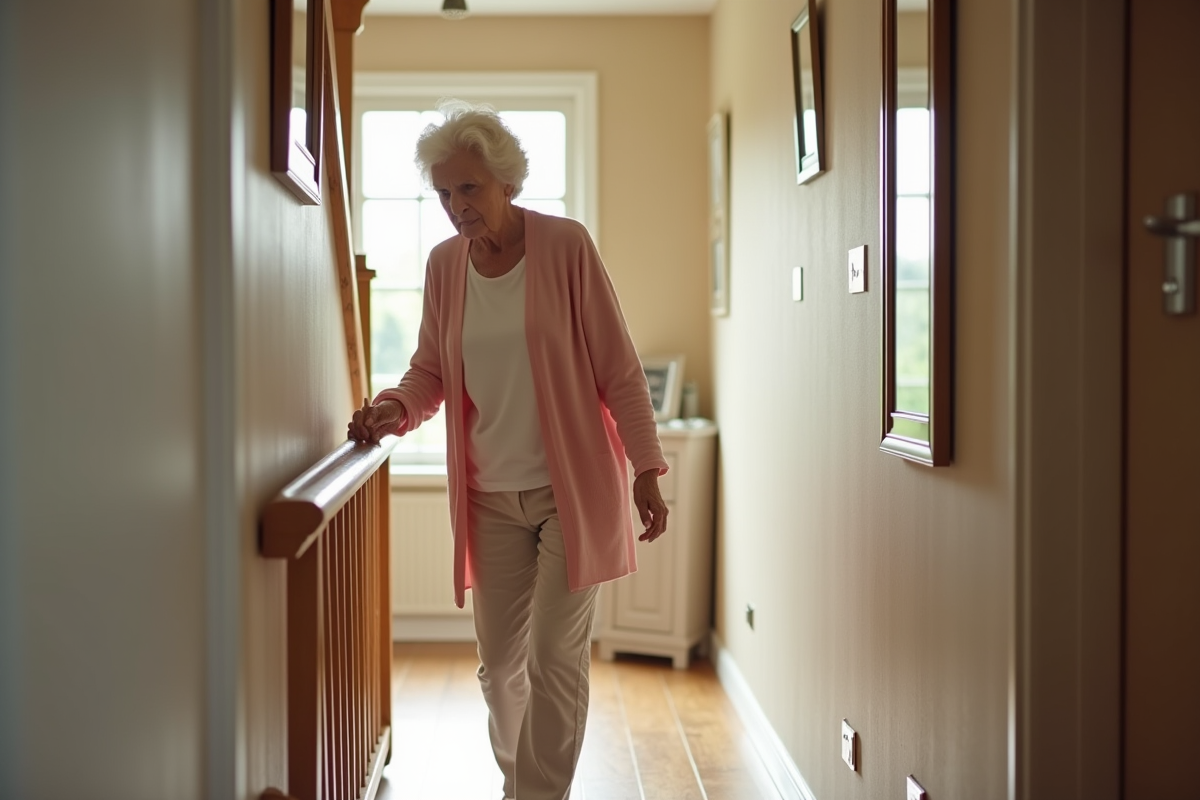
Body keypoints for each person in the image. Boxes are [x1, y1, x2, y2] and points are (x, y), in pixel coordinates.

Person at [346, 101, 669, 800]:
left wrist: (646, 466)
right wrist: (393, 409)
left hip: (570, 493)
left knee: (554, 657)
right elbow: (431, 370)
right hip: (489, 496)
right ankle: (518, 784)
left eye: (469, 188)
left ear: (507, 182)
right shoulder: (445, 266)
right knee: (499, 668)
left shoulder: (566, 247)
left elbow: (618, 369)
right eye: (443, 193)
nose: (456, 206)